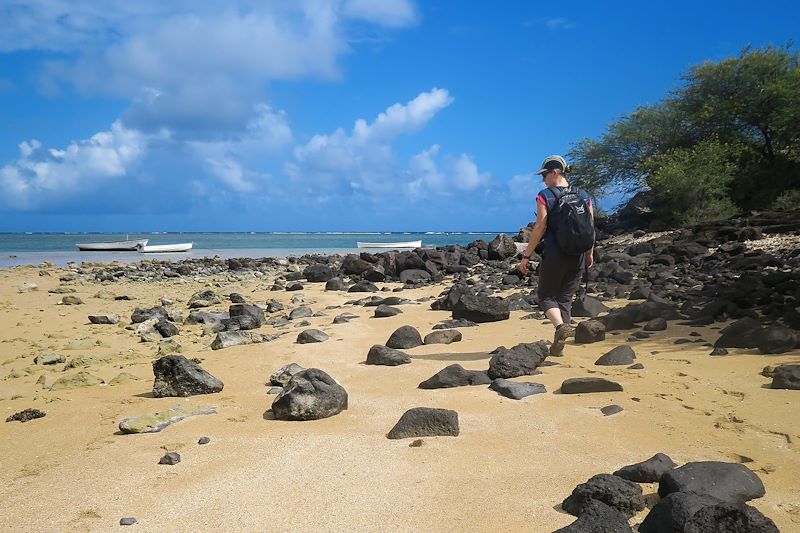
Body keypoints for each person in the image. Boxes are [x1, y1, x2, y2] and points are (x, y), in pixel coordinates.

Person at [518, 155, 594, 356]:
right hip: (577, 254)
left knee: (545, 296)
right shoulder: (584, 195)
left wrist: (526, 256)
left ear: (555, 173)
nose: (543, 179)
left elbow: (540, 226)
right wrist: (589, 253)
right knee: (565, 298)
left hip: (555, 254)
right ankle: (559, 346)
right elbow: (590, 227)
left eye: (544, 174)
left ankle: (560, 328)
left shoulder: (546, 195)